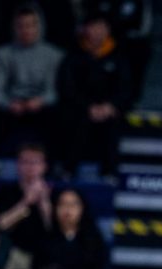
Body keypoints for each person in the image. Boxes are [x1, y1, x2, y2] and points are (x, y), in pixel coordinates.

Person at [57, 13, 133, 177]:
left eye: (101, 27)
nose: (97, 31)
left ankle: (110, 172)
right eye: (93, 27)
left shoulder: (119, 57)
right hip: (80, 109)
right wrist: (87, 107)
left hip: (110, 110)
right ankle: (68, 169)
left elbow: (125, 89)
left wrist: (111, 106)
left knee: (112, 124)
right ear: (85, 29)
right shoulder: (73, 56)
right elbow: (67, 88)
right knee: (73, 120)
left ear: (108, 30)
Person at [0, 4, 64, 156]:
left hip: (41, 105)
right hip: (12, 104)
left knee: (61, 115)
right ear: (14, 27)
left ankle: (54, 165)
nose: (26, 30)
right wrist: (8, 104)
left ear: (39, 27)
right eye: (21, 26)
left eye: (30, 25)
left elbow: (54, 90)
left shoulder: (54, 55)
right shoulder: (1, 54)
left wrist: (41, 101)